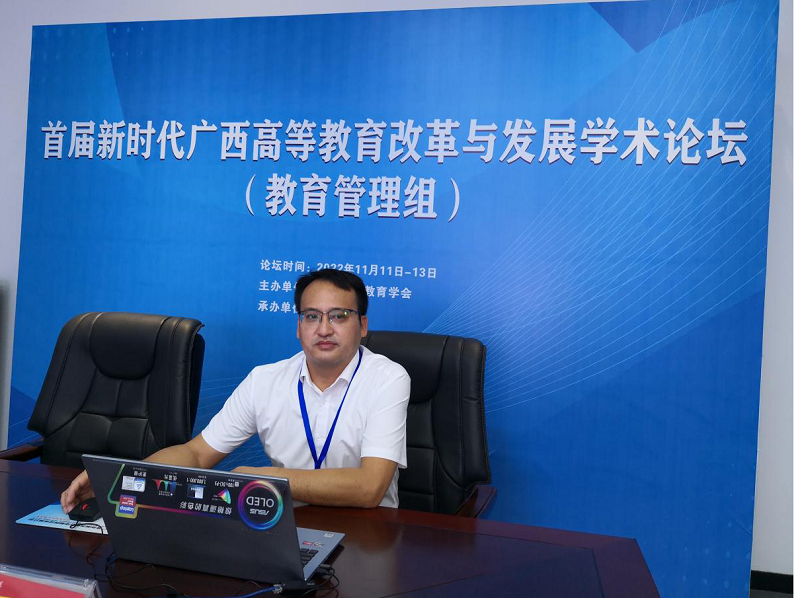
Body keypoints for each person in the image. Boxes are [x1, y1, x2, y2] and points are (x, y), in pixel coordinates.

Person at [61, 269, 410, 512]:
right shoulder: (265, 380)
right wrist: (120, 478)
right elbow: (197, 454)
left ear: (363, 325)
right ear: (298, 327)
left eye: (339, 316)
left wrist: (266, 479)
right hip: (282, 523)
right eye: (311, 316)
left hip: (370, 530)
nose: (324, 329)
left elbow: (369, 488)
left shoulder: (388, 379)